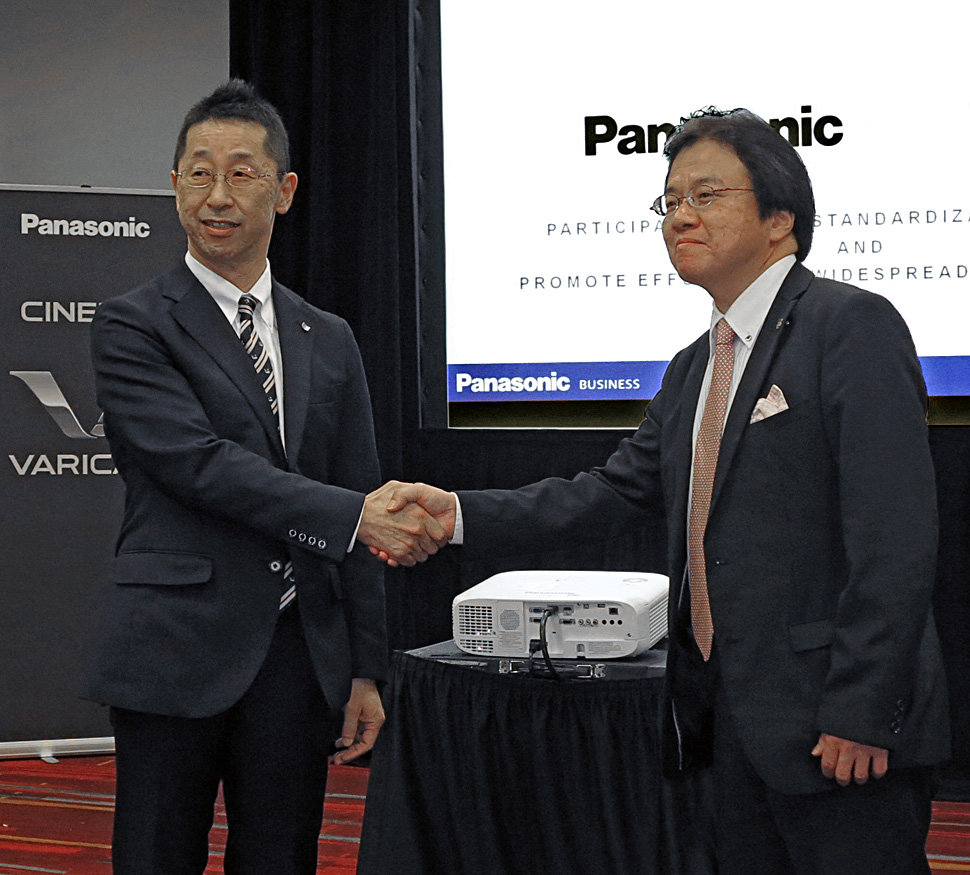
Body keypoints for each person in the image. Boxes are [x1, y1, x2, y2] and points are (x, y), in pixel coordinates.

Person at [370, 108, 951, 874]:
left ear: (780, 217)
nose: (680, 216)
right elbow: (608, 493)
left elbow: (895, 536)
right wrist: (457, 513)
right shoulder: (693, 366)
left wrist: (862, 708)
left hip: (834, 725)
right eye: (670, 200)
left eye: (706, 195)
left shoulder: (849, 325)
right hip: (726, 728)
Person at [86, 79, 444, 874]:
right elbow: (198, 464)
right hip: (173, 644)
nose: (217, 195)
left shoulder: (329, 335)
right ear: (174, 185)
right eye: (199, 173)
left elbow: (359, 485)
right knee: (154, 855)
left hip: (296, 653)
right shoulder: (133, 323)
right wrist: (353, 515)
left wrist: (365, 666)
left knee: (282, 856)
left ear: (283, 191)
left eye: (242, 173)